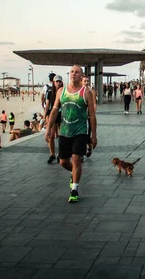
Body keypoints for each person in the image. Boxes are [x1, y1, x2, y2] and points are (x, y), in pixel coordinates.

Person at [46, 65, 97, 203]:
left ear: (81, 76)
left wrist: (93, 135)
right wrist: (49, 129)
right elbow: (55, 111)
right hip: (65, 131)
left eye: (77, 72)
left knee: (76, 159)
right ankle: (72, 173)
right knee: (63, 161)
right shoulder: (61, 91)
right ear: (69, 74)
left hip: (80, 131)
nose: (74, 74)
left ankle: (74, 189)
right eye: (72, 72)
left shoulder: (86, 93)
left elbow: (92, 116)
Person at [45, 76, 64, 163]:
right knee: (51, 136)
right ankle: (52, 154)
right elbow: (47, 105)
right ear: (53, 82)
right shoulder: (50, 92)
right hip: (52, 114)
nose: (58, 83)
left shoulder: (64, 92)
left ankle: (60, 154)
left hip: (61, 115)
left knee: (61, 136)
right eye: (57, 81)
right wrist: (46, 116)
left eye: (60, 81)